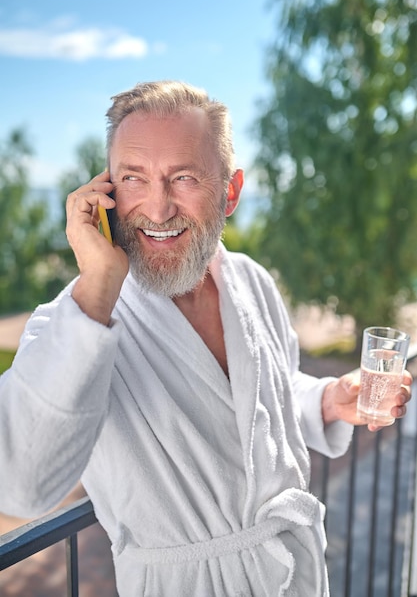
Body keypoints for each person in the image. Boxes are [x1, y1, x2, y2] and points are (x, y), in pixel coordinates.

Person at [0, 80, 412, 597]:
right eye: (133, 178)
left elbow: (264, 395)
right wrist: (99, 281)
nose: (158, 206)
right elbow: (20, 482)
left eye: (184, 177)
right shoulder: (80, 318)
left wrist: (327, 399)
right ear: (105, 191)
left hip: (295, 579)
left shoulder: (251, 281)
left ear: (231, 192)